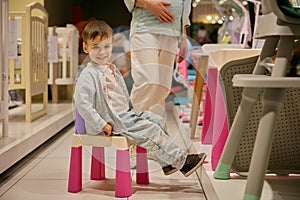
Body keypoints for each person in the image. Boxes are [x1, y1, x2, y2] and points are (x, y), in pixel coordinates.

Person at [73, 20, 206, 177]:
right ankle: (182, 162)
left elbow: (120, 97)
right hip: (111, 121)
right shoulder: (88, 74)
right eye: (96, 47)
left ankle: (167, 162)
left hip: (124, 115)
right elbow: (83, 104)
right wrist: (101, 124)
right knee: (151, 130)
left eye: (106, 47)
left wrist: (131, 112)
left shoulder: (111, 69)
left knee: (157, 120)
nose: (102, 52)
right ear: (86, 48)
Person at [123, 0, 191, 117]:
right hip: (145, 28)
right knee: (148, 81)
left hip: (172, 32)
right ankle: (140, 123)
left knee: (162, 86)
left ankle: (154, 124)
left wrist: (183, 36)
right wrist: (149, 4)